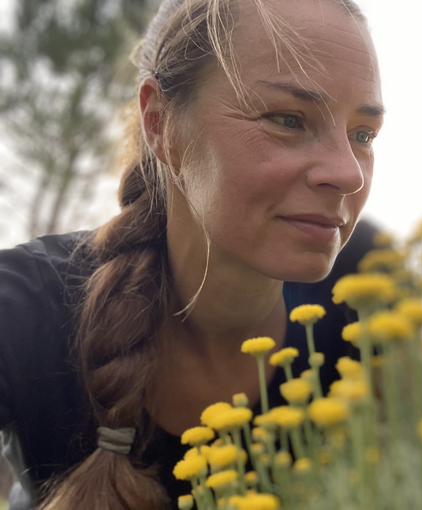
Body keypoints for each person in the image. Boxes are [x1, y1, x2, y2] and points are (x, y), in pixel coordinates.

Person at [0, 0, 384, 508]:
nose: (349, 173)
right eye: (289, 119)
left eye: (363, 134)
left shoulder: (368, 292)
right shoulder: (27, 306)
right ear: (160, 123)